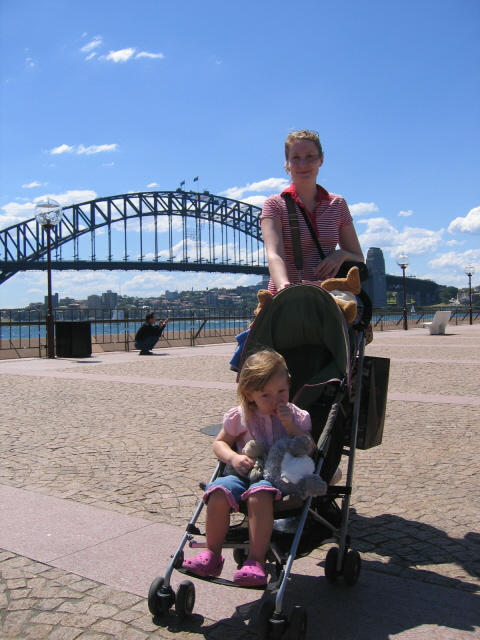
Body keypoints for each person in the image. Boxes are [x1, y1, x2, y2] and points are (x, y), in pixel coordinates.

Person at [182, 349, 313, 587]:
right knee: (218, 491)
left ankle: (256, 560)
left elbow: (308, 447)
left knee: (259, 495)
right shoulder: (240, 416)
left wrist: (290, 425)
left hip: (275, 479)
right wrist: (233, 458)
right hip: (242, 474)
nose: (277, 400)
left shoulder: (296, 416)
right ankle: (212, 554)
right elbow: (219, 443)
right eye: (266, 395)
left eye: (282, 392)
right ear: (249, 395)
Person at [261, 129, 364, 293]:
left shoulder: (337, 204)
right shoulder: (274, 205)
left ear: (321, 159)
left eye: (310, 156)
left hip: (328, 297)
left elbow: (359, 257)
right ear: (287, 163)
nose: (303, 164)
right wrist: (284, 288)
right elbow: (274, 255)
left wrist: (340, 255)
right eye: (295, 158)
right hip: (286, 296)